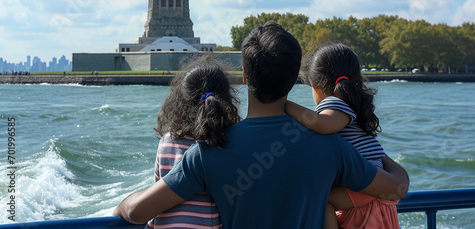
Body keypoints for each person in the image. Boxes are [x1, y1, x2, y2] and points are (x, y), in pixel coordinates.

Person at [113, 22, 409, 229]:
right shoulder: (331, 145)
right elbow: (396, 188)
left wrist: (121, 207)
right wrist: (380, 155)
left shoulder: (209, 151)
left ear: (244, 75)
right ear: (295, 79)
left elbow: (138, 212)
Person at [286, 43, 400, 229]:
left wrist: (285, 105)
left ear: (317, 87)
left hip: (368, 181)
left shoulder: (336, 102)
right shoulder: (351, 103)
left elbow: (324, 125)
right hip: (374, 179)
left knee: (320, 200)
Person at [146, 57, 241, 229]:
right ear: (227, 100)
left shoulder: (168, 142)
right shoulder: (231, 144)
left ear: (179, 102)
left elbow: (157, 194)